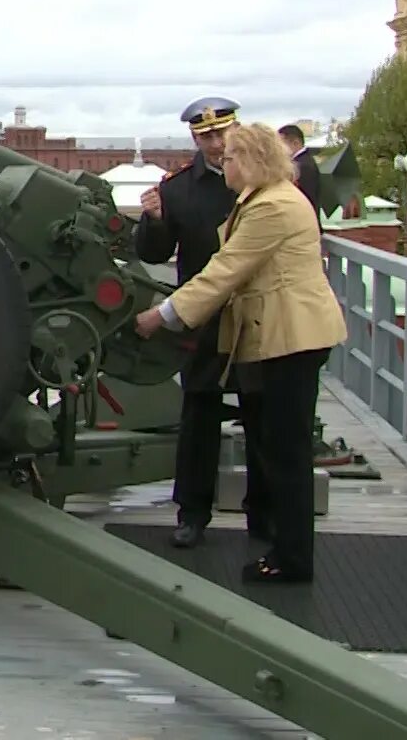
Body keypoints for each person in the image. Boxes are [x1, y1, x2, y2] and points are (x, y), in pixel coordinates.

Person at [135, 122, 349, 583]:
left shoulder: (271, 206)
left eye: (230, 156)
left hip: (291, 338)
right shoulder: (268, 197)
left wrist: (161, 317)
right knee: (277, 446)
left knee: (286, 452)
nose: (222, 162)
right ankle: (284, 549)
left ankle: (291, 559)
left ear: (250, 161)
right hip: (279, 336)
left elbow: (225, 272)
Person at [133, 95, 248, 548]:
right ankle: (192, 513)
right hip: (204, 317)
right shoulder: (178, 189)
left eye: (221, 134)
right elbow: (153, 254)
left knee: (261, 413)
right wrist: (154, 220)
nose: (216, 144)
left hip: (257, 314)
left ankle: (265, 511)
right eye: (206, 136)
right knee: (199, 415)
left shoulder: (260, 181)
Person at [279, 124, 322, 219]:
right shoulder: (302, 162)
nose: (278, 149)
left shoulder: (302, 165)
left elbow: (306, 198)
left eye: (280, 145)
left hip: (305, 221)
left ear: (295, 143)